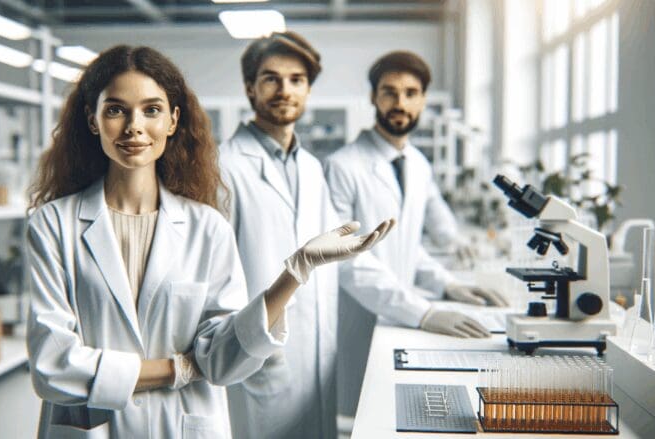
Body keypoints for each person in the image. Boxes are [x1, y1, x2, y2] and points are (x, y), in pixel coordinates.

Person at [25, 45, 392, 439]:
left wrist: (297, 269)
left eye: (151, 110)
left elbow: (223, 357)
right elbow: (52, 366)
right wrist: (178, 368)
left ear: (172, 120)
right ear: (93, 120)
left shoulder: (207, 227)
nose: (134, 126)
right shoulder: (53, 224)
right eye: (116, 110)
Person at [219, 32, 391, 439]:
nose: (285, 90)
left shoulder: (312, 168)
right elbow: (216, 278)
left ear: (308, 90)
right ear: (250, 87)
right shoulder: (223, 167)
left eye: (296, 80)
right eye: (271, 79)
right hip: (258, 353)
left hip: (317, 354)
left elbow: (329, 259)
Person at [324, 50, 507, 416]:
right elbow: (344, 258)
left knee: (397, 414)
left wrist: (447, 285)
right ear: (373, 97)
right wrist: (423, 312)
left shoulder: (418, 164)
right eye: (389, 92)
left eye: (410, 93)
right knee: (362, 420)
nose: (400, 103)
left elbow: (407, 247)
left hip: (400, 318)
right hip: (360, 319)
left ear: (423, 99)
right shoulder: (342, 166)